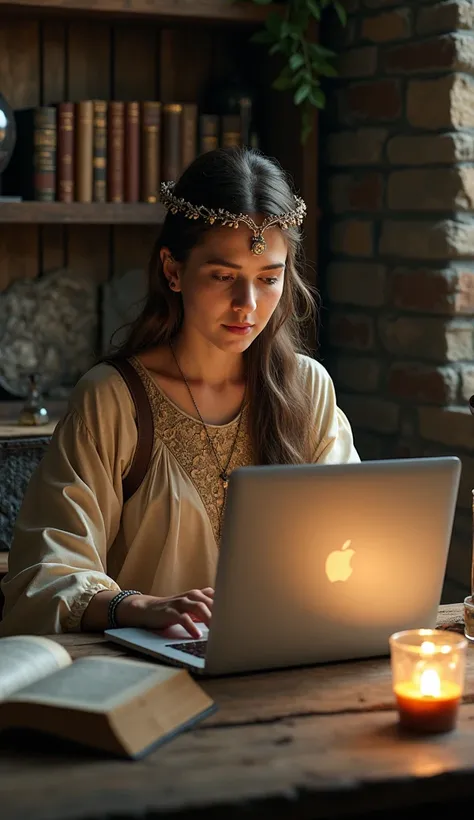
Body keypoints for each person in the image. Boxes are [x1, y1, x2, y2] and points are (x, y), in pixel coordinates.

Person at [0, 147, 359, 638]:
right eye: (223, 276)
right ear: (172, 270)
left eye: (268, 279)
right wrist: (140, 606)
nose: (248, 305)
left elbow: (354, 543)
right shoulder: (114, 400)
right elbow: (45, 574)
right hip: (147, 674)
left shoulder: (307, 390)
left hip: (283, 655)